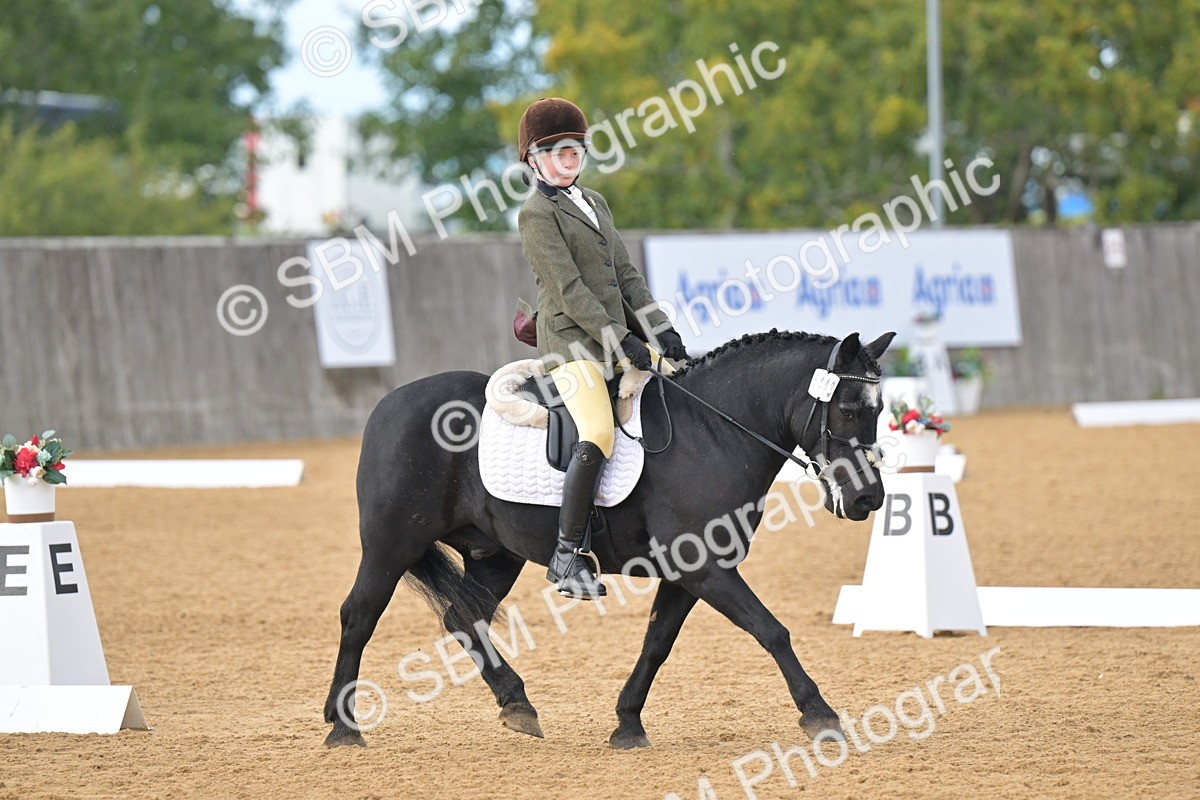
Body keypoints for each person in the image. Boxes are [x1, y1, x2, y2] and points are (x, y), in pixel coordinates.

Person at [517, 97, 688, 599]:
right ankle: (567, 556)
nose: (570, 160)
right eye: (558, 153)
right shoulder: (536, 214)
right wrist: (622, 341)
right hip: (572, 346)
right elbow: (571, 292)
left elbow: (628, 277)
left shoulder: (596, 203)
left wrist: (661, 330)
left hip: (619, 336)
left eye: (575, 151)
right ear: (534, 160)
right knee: (598, 430)